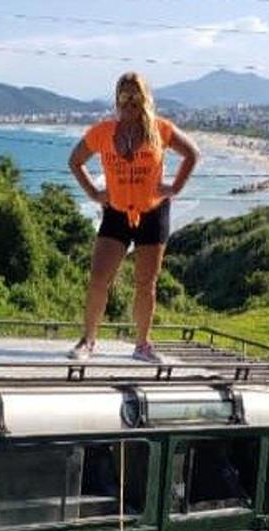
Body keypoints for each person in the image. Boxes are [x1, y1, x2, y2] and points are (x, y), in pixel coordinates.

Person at [67, 72, 199, 362]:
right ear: (116, 99)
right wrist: (94, 193)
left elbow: (192, 154)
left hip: (153, 213)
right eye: (124, 95)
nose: (129, 101)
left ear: (145, 98)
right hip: (116, 213)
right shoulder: (102, 131)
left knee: (145, 283)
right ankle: (87, 341)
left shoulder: (161, 129)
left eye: (135, 95)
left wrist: (174, 187)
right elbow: (75, 161)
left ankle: (142, 344)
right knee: (99, 278)